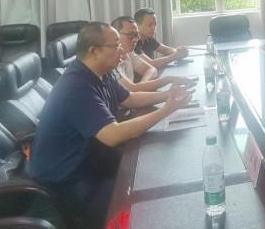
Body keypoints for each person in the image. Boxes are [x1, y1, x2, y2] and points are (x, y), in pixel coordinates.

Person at [30, 22, 193, 228]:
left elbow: (129, 98)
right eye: (116, 46)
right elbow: (113, 135)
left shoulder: (100, 73)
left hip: (94, 164)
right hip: (68, 184)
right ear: (94, 51)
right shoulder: (75, 87)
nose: (122, 50)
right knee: (143, 211)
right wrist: (165, 110)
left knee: (153, 176)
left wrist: (169, 95)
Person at [111, 16, 193, 92]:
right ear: (115, 35)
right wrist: (169, 79)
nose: (135, 40)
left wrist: (142, 85)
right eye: (130, 35)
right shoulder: (111, 62)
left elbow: (151, 69)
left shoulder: (129, 53)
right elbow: (132, 90)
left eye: (136, 35)